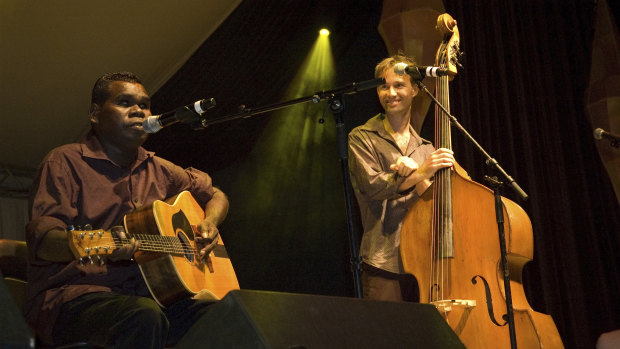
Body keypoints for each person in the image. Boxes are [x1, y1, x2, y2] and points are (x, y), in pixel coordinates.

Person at [24, 71, 229, 348]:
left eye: (144, 105)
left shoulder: (162, 170)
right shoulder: (64, 162)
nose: (138, 111)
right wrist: (103, 242)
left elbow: (215, 195)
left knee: (224, 315)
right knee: (142, 315)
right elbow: (45, 242)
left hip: (150, 298)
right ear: (95, 114)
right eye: (124, 102)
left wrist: (211, 222)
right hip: (74, 298)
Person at [348, 54, 455, 302]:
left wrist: (419, 174)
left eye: (399, 85)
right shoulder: (362, 137)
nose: (390, 92)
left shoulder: (427, 148)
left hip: (425, 260)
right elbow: (374, 187)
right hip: (383, 261)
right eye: (384, 86)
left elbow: (434, 204)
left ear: (416, 90)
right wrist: (421, 172)